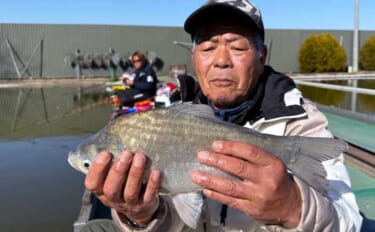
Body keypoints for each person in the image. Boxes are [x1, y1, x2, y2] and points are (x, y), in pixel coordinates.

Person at [82, 0, 364, 231]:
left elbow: (348, 222)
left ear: (262, 55)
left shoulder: (301, 121)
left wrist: (293, 208)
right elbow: (176, 221)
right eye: (207, 47)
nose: (221, 60)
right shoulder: (168, 114)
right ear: (194, 56)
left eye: (238, 46)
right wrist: (141, 216)